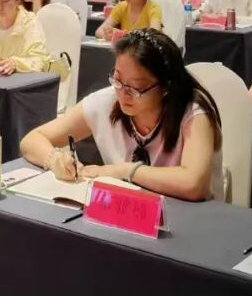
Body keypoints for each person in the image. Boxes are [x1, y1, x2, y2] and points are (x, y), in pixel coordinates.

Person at [20, 29, 224, 201]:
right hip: (128, 215)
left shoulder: (193, 112)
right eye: (117, 79)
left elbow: (193, 184)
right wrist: (54, 159)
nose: (122, 93)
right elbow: (32, 140)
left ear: (166, 87)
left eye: (136, 87)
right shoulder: (106, 102)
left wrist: (124, 171)